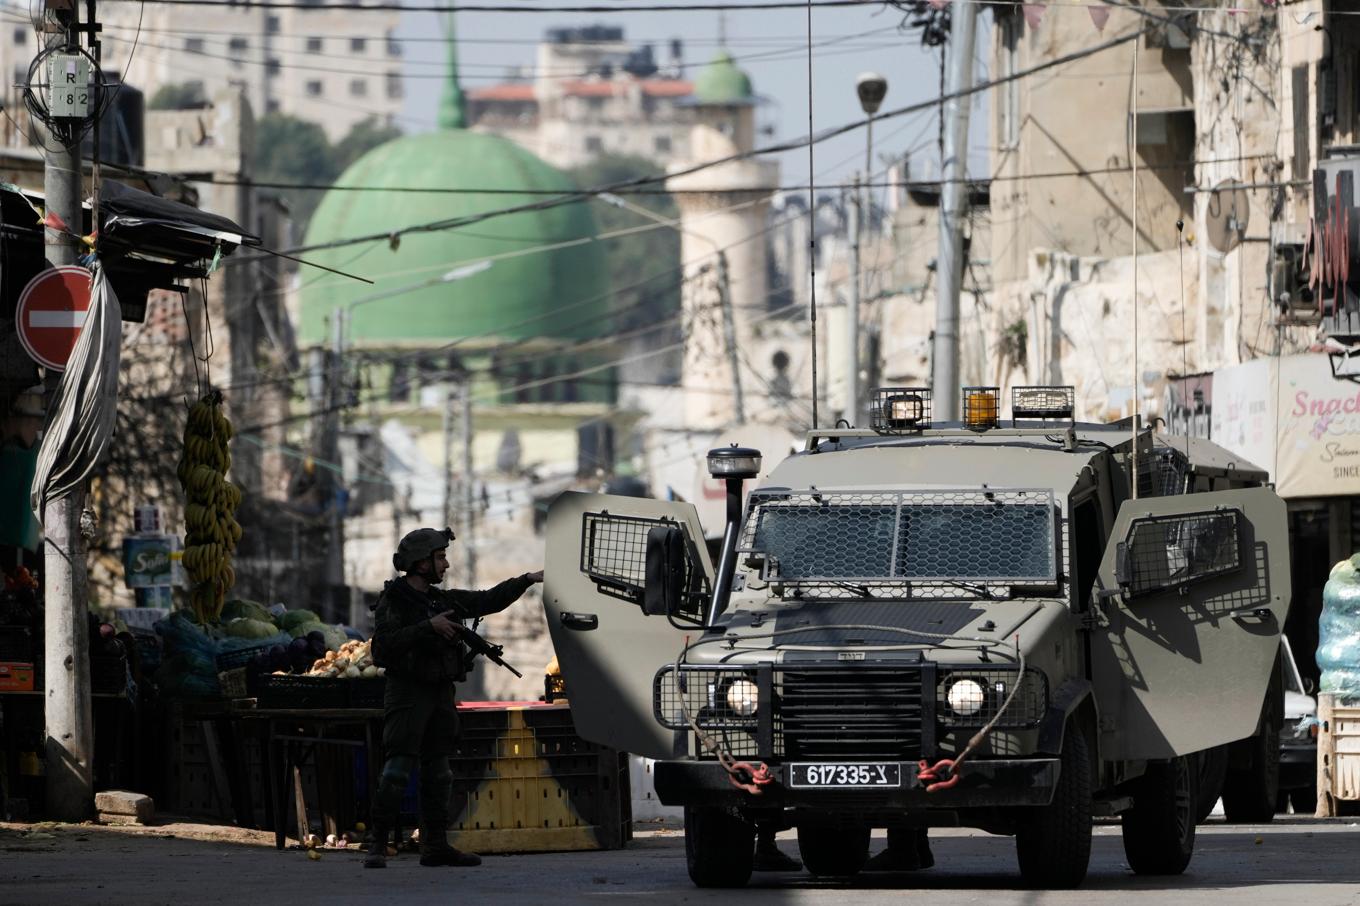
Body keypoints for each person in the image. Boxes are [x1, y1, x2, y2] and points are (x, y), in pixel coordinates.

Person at [363, 526, 543, 869]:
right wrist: (427, 628)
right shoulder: (395, 600)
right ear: (421, 563)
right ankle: (376, 844)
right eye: (440, 557)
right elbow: (382, 649)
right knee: (398, 768)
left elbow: (487, 600)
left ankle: (435, 846)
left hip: (440, 692)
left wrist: (527, 580)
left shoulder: (442, 600)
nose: (445, 564)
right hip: (408, 692)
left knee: (439, 771)